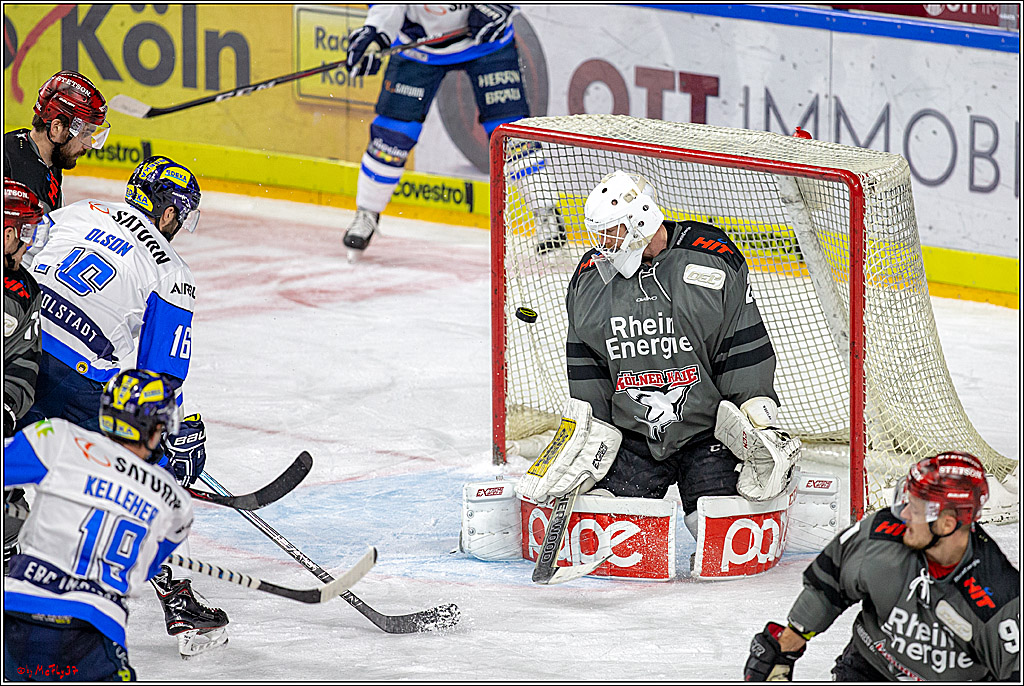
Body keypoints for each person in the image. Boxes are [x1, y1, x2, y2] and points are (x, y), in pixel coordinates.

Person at [13, 155, 229, 657]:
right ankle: (180, 605)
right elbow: (160, 377)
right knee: (145, 472)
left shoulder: (81, 210)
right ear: (170, 213)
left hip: (16, 344)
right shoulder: (171, 271)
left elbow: (16, 258)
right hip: (73, 379)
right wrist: (171, 434)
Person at [517, 170, 800, 540]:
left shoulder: (711, 256)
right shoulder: (590, 279)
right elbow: (587, 361)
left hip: (708, 432)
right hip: (632, 438)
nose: (603, 244)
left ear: (641, 218)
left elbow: (740, 342)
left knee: (719, 532)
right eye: (599, 234)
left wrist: (757, 413)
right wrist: (590, 430)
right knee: (612, 533)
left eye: (612, 231)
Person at [744, 451, 1019, 682]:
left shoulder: (1001, 597)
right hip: (868, 668)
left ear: (947, 524)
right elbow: (831, 584)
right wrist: (788, 642)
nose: (903, 514)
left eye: (915, 508)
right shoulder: (880, 535)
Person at [3, 370, 193, 681]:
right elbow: (145, 569)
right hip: (92, 631)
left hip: (18, 613)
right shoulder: (174, 501)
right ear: (154, 429)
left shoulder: (59, 439)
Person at [341, 4, 564, 259]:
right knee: (393, 136)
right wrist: (376, 33)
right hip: (420, 48)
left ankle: (546, 212)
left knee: (511, 135)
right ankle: (367, 211)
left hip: (486, 44)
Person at [3, 179, 52, 573]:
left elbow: (22, 363)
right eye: (26, 233)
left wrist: (6, 407)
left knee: (10, 513)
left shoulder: (24, 291)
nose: (29, 244)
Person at [3, 70, 109, 213]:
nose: (88, 145)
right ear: (56, 128)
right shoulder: (15, 171)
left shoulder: (50, 158)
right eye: (85, 133)